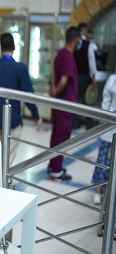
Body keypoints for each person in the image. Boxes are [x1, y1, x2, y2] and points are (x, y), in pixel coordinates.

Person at [0, 33, 42, 165]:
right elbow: (28, 95)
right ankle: (3, 183)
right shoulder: (19, 68)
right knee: (7, 159)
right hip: (12, 121)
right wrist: (36, 115)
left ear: (0, 47)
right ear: (14, 47)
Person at [48, 26, 81, 182]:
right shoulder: (68, 57)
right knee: (62, 136)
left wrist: (53, 89)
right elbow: (64, 79)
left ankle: (52, 163)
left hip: (58, 103)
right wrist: (57, 90)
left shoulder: (60, 54)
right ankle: (56, 170)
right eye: (79, 39)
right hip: (66, 102)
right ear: (75, 39)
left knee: (56, 134)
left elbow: (54, 75)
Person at [91, 74, 116, 205]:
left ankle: (111, 195)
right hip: (109, 127)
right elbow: (106, 99)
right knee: (103, 161)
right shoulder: (113, 79)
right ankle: (98, 190)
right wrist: (105, 117)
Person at [73, 23, 98, 129]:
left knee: (75, 100)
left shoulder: (73, 44)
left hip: (75, 77)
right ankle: (89, 124)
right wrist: (93, 76)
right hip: (84, 76)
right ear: (84, 31)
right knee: (88, 101)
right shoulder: (89, 45)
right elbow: (91, 62)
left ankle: (75, 123)